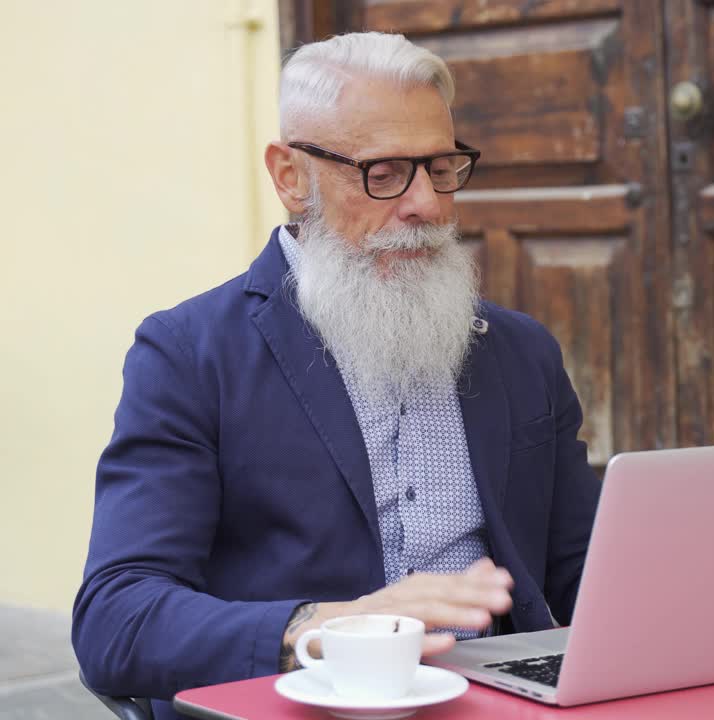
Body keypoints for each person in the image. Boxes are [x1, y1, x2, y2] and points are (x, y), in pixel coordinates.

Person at [72, 32, 602, 720]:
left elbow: (592, 578)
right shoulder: (190, 355)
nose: (429, 205)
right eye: (384, 173)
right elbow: (117, 617)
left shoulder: (520, 351)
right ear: (291, 176)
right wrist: (322, 628)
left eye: (442, 168)